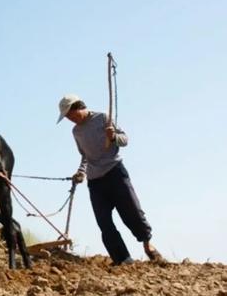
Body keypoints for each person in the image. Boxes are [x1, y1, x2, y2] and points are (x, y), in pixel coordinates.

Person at [57, 94, 163, 265]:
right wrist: (81, 172)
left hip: (115, 173)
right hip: (95, 181)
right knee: (104, 223)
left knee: (132, 213)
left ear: (79, 107)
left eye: (71, 114)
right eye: (68, 118)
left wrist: (113, 137)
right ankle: (123, 260)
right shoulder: (76, 132)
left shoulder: (103, 118)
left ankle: (147, 244)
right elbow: (85, 156)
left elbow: (125, 140)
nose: (71, 119)